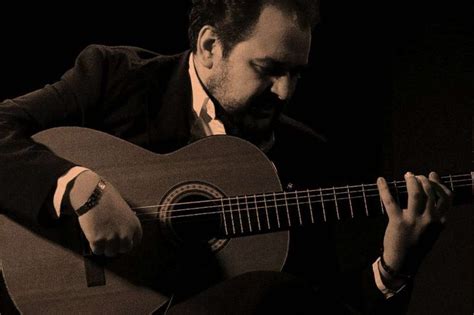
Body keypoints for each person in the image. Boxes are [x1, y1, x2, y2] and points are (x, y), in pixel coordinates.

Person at [0, 0, 452, 314]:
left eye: (296, 74)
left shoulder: (304, 154)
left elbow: (320, 302)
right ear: (210, 46)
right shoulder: (115, 80)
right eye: (269, 69)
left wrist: (393, 269)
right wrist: (82, 188)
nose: (285, 92)